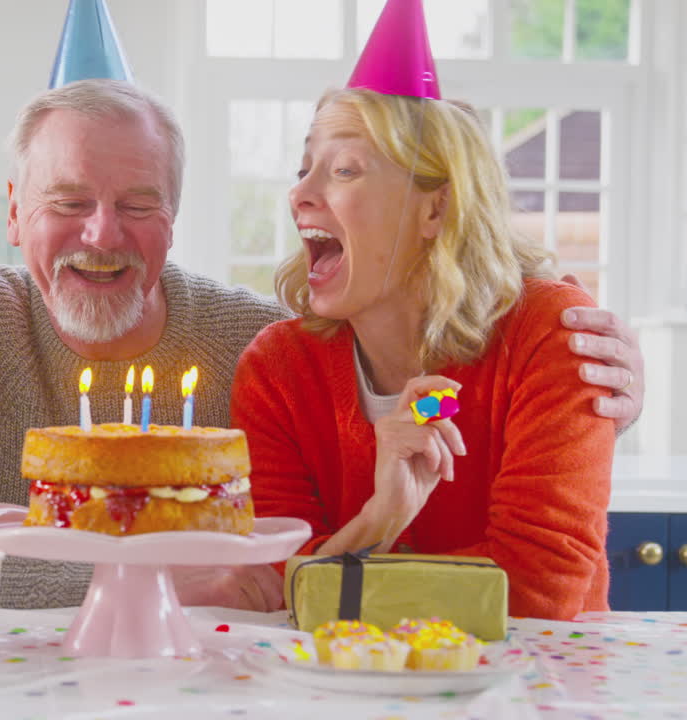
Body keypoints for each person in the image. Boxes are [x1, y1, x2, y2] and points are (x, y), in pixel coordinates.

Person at [0, 79, 642, 610]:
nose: (101, 232)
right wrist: (133, 586)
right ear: (15, 212)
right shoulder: (281, 359)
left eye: (138, 203)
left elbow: (283, 581)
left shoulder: (255, 344)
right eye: (69, 199)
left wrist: (595, 406)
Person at [229, 82, 615, 620]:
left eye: (344, 170)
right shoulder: (277, 370)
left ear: (436, 208)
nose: (300, 195)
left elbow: (535, 590)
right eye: (303, 171)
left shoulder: (551, 336)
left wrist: (334, 581)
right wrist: (382, 519)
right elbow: (283, 590)